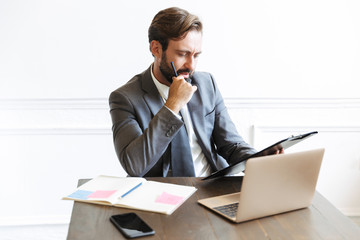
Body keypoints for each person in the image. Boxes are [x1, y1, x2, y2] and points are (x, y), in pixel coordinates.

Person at [109, 7, 258, 177]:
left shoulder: (207, 84)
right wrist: (173, 106)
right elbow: (134, 166)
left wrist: (260, 161)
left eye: (196, 56)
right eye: (182, 54)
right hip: (160, 196)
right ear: (156, 49)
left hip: (211, 187)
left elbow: (231, 145)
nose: (191, 65)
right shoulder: (125, 98)